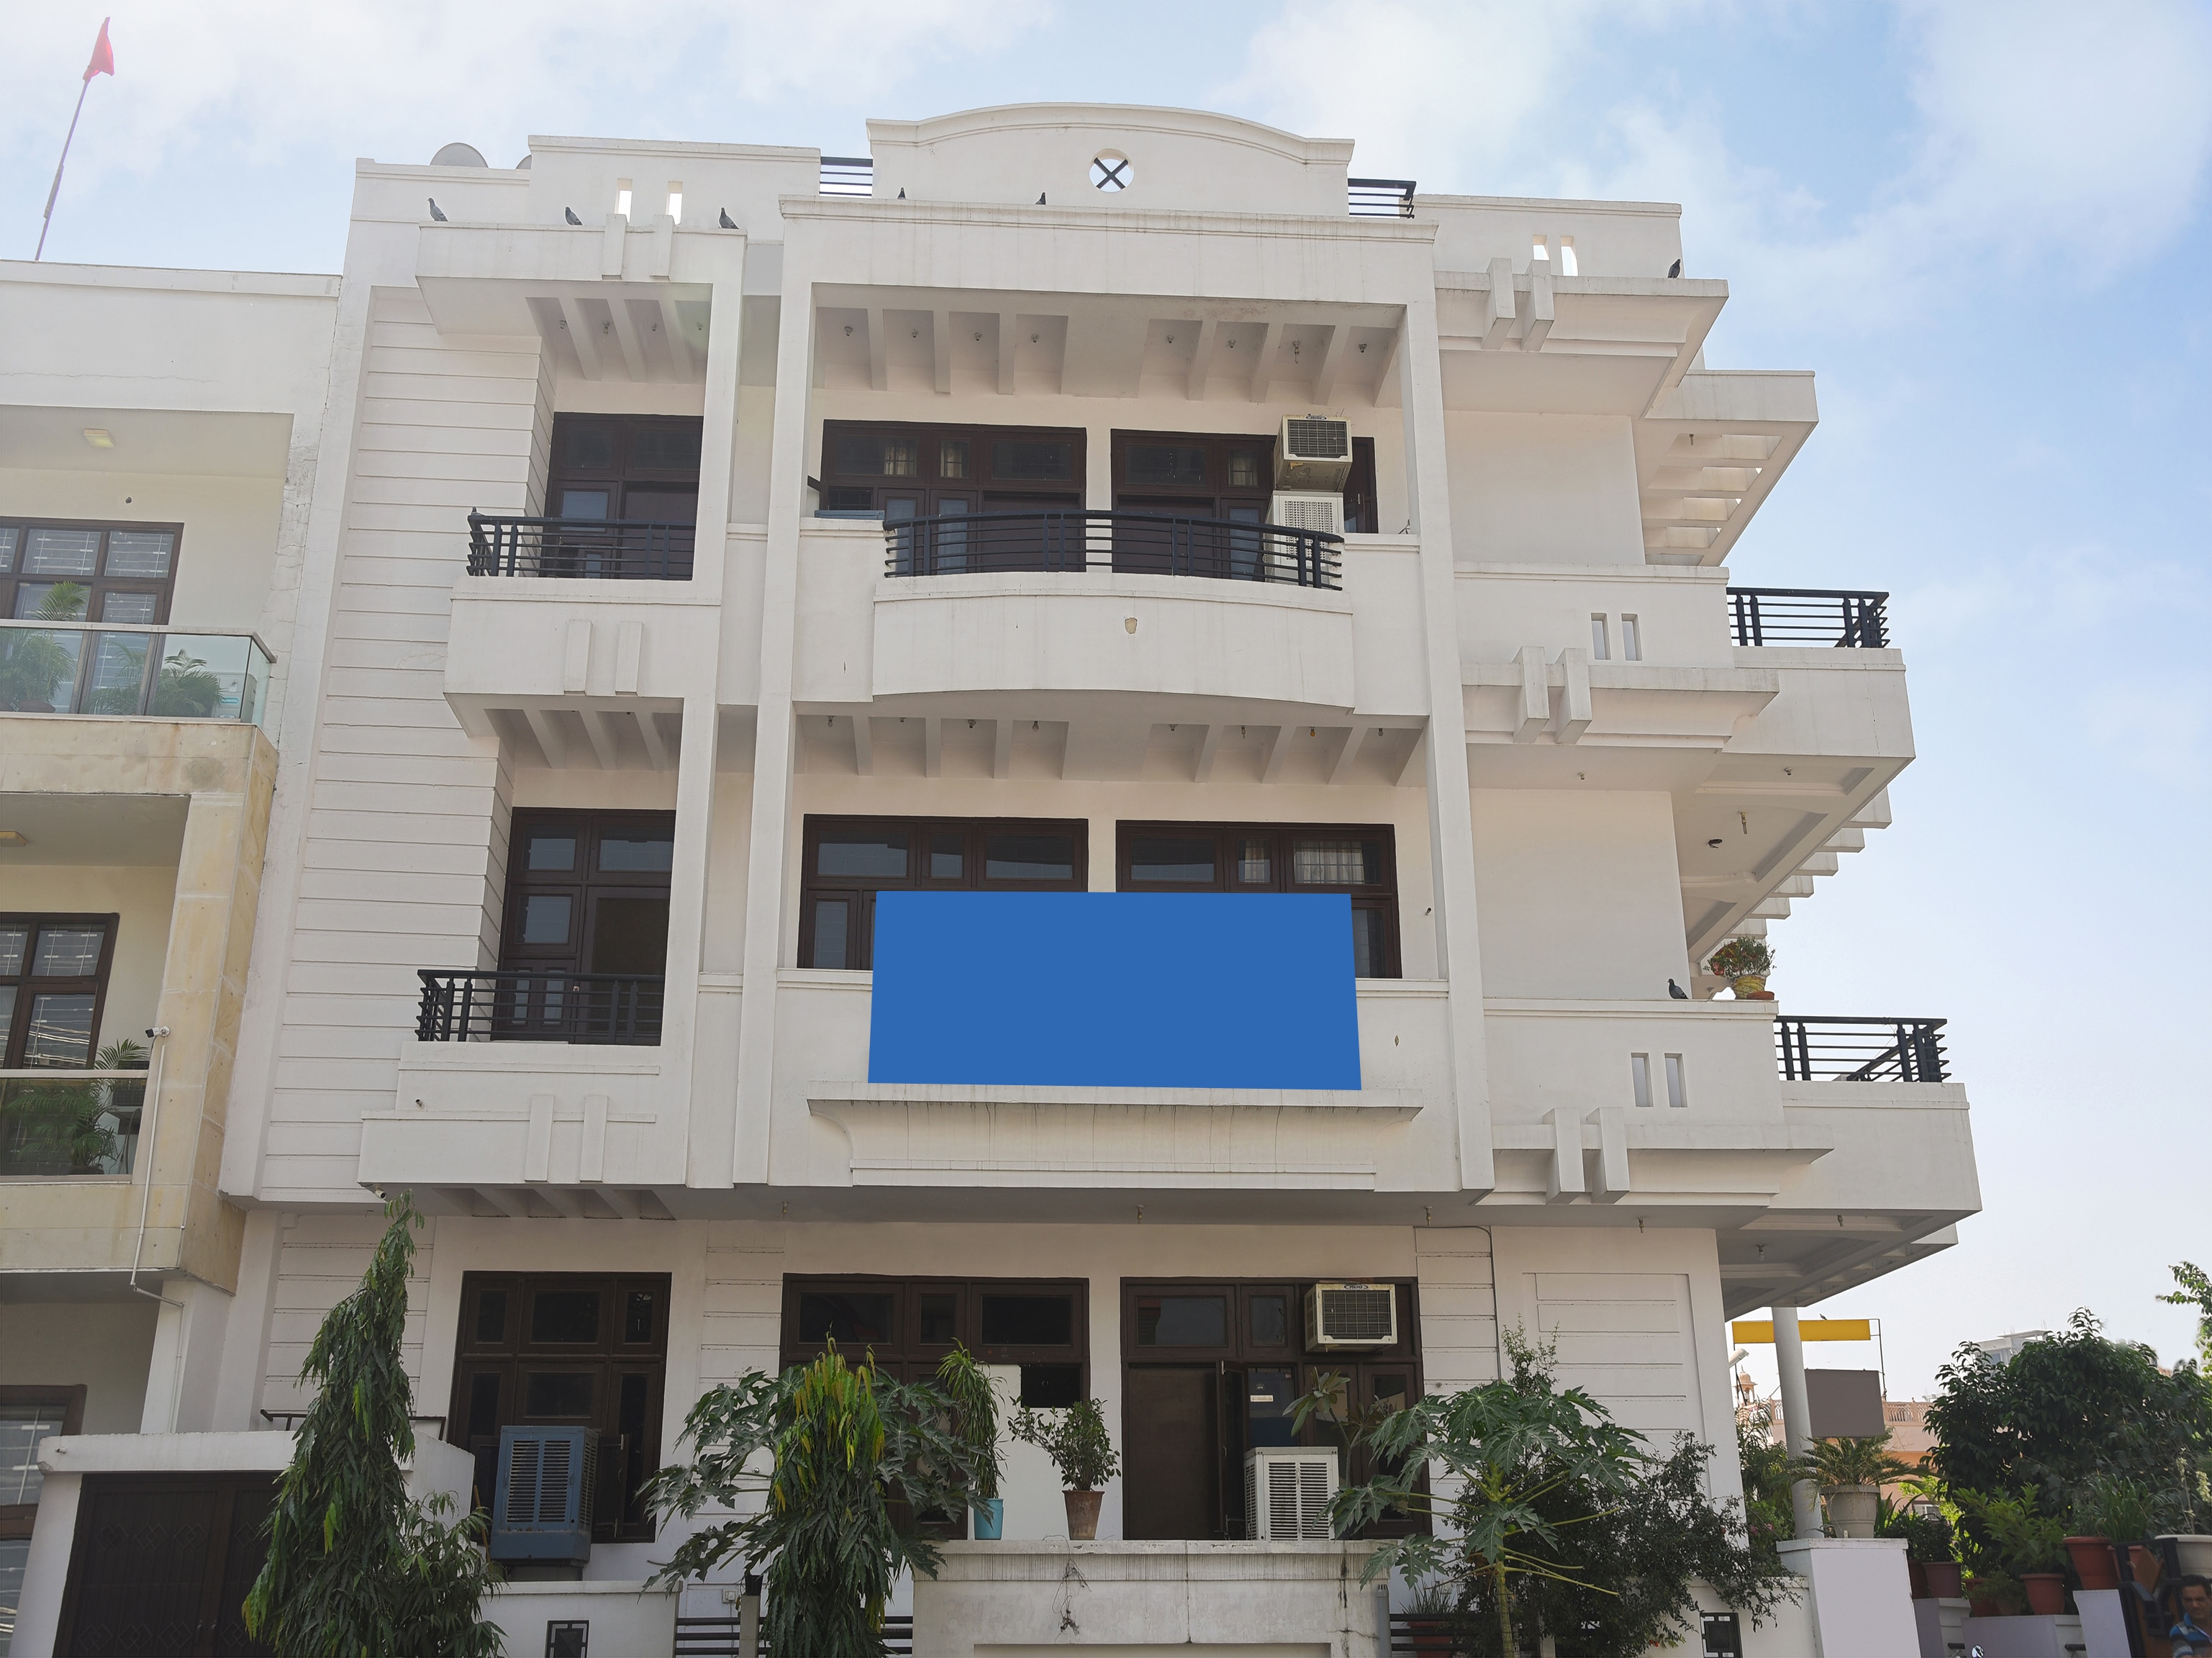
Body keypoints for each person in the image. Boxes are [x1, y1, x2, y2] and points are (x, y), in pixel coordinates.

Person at [2171, 1575, 2212, 1658]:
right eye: (2189, 1600)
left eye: (2200, 1599)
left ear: (2211, 1599)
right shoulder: (2180, 1632)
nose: (2195, 1605)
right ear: (2183, 1602)